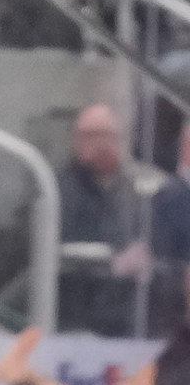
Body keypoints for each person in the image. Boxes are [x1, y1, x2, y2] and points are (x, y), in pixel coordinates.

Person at [59, 102, 152, 333]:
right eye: (91, 135)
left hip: (124, 318)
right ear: (76, 141)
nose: (101, 143)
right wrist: (111, 266)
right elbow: (49, 254)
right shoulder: (56, 189)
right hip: (72, 318)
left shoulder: (133, 189)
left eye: (107, 135)